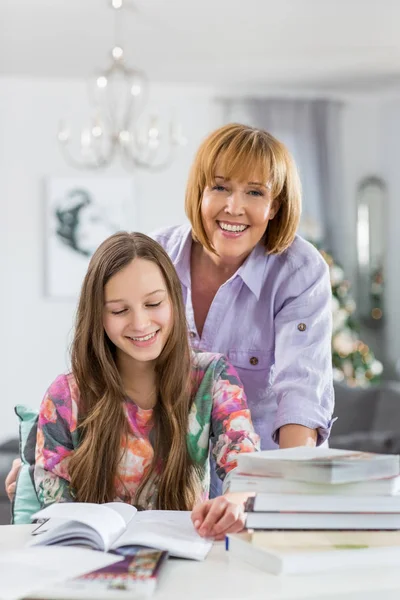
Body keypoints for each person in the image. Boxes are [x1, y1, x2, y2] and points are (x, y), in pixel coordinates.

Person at [5, 123, 334, 499]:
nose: (234, 207)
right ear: (200, 191)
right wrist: (39, 475)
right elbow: (110, 373)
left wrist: (286, 499)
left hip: (260, 475)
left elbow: (301, 394)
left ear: (275, 205)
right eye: (220, 187)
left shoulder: (298, 271)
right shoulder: (156, 254)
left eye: (254, 192)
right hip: (168, 483)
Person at [29, 232, 260, 539]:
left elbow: (243, 463)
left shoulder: (213, 377)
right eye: (119, 310)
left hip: (185, 559)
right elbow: (55, 513)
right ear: (97, 316)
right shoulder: (64, 397)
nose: (140, 323)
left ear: (174, 301)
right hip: (92, 564)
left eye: (153, 303)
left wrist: (237, 500)